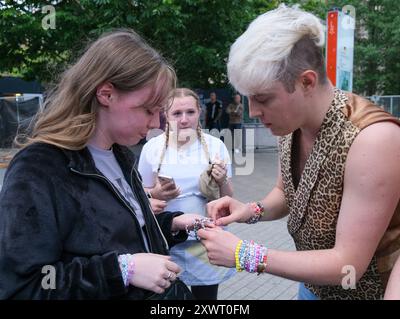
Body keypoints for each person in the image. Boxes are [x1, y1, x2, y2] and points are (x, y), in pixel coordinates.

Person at [198, 5, 400, 300]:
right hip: (310, 284)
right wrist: (250, 211)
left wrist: (245, 254)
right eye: (249, 99)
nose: (254, 112)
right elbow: (289, 193)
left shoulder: (373, 139)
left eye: (263, 99)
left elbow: (348, 264)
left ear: (306, 81)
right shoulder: (292, 123)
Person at [0, 30, 204, 300]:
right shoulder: (40, 167)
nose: (156, 123)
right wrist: (121, 270)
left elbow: (116, 231)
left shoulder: (121, 154)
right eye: (148, 110)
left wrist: (171, 224)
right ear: (106, 94)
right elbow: (24, 286)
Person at [138, 88, 235, 300]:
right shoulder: (152, 147)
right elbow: (140, 194)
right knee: (168, 298)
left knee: (206, 300)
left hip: (205, 240)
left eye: (190, 112)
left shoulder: (215, 145)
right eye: (176, 113)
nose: (184, 120)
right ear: (166, 114)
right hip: (166, 240)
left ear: (199, 111)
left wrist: (221, 180)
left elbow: (229, 197)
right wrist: (156, 192)